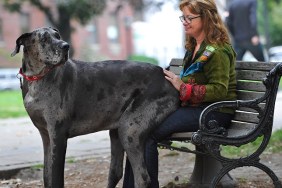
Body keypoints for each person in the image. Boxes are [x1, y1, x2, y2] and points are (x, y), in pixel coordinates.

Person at [123, 0, 237, 187]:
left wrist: (182, 87)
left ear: (207, 18)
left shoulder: (218, 51)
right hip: (197, 108)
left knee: (147, 133)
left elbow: (219, 90)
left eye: (189, 17)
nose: (184, 21)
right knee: (137, 130)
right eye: (183, 17)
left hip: (215, 112)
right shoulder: (194, 47)